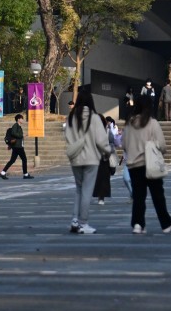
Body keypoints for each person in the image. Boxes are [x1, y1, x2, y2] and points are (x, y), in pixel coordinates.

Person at [122, 103, 171, 235]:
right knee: (158, 195)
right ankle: (166, 224)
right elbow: (162, 144)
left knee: (138, 196)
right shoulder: (152, 123)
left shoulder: (129, 124)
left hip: (134, 165)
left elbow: (124, 144)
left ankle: (138, 224)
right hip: (150, 164)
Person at [64, 86, 112, 234]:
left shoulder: (71, 118)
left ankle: (74, 220)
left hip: (75, 158)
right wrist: (108, 152)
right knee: (86, 191)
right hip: (91, 159)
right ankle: (83, 223)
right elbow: (101, 141)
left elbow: (67, 137)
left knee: (79, 190)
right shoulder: (95, 118)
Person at [93, 116, 119, 206]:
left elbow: (112, 143)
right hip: (96, 157)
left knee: (103, 178)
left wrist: (107, 150)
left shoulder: (107, 131)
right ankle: (100, 196)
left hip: (105, 158)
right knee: (98, 178)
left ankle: (101, 197)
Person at [0, 114, 33, 180]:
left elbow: (16, 135)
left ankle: (2, 173)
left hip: (17, 146)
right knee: (24, 159)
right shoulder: (15, 125)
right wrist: (22, 135)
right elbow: (13, 133)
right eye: (22, 119)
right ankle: (25, 174)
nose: (23, 120)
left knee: (12, 160)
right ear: (18, 119)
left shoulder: (19, 127)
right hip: (18, 146)